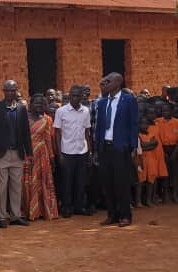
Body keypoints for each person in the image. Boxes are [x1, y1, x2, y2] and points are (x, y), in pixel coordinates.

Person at [93, 73, 139, 227]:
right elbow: (98, 128)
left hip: (121, 147)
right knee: (108, 183)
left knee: (121, 183)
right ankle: (112, 215)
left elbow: (134, 125)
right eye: (104, 81)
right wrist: (97, 150)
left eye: (108, 81)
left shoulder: (129, 101)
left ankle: (125, 216)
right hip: (105, 147)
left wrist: (133, 147)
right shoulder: (102, 103)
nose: (104, 83)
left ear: (119, 82)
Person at [0, 80, 32, 228]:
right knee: (2, 186)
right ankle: (0, 216)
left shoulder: (21, 109)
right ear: (3, 91)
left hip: (17, 153)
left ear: (17, 91)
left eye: (13, 90)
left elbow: (26, 132)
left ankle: (15, 215)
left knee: (16, 186)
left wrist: (29, 153)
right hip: (1, 154)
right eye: (8, 90)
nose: (11, 93)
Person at [54, 85, 93, 217]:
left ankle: (79, 207)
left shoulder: (86, 111)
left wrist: (90, 152)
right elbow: (58, 134)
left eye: (78, 96)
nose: (76, 98)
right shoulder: (61, 111)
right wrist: (59, 154)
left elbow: (87, 132)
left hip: (82, 151)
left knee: (80, 181)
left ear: (82, 97)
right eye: (73, 96)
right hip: (67, 152)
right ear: (69, 96)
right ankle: (67, 207)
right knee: (67, 182)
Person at [23, 94, 59, 220]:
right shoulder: (24, 119)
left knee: (42, 181)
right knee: (29, 182)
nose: (38, 106)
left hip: (42, 155)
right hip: (27, 154)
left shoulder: (47, 120)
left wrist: (52, 157)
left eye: (41, 104)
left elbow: (48, 139)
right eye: (36, 103)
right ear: (30, 104)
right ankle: (30, 212)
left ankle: (44, 210)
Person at [156, 102, 178, 203]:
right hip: (163, 149)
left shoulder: (177, 122)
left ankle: (175, 194)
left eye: (167, 110)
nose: (165, 112)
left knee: (175, 173)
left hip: (174, 149)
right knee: (165, 174)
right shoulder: (158, 121)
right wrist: (163, 151)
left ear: (172, 111)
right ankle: (165, 195)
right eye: (163, 111)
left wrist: (176, 152)